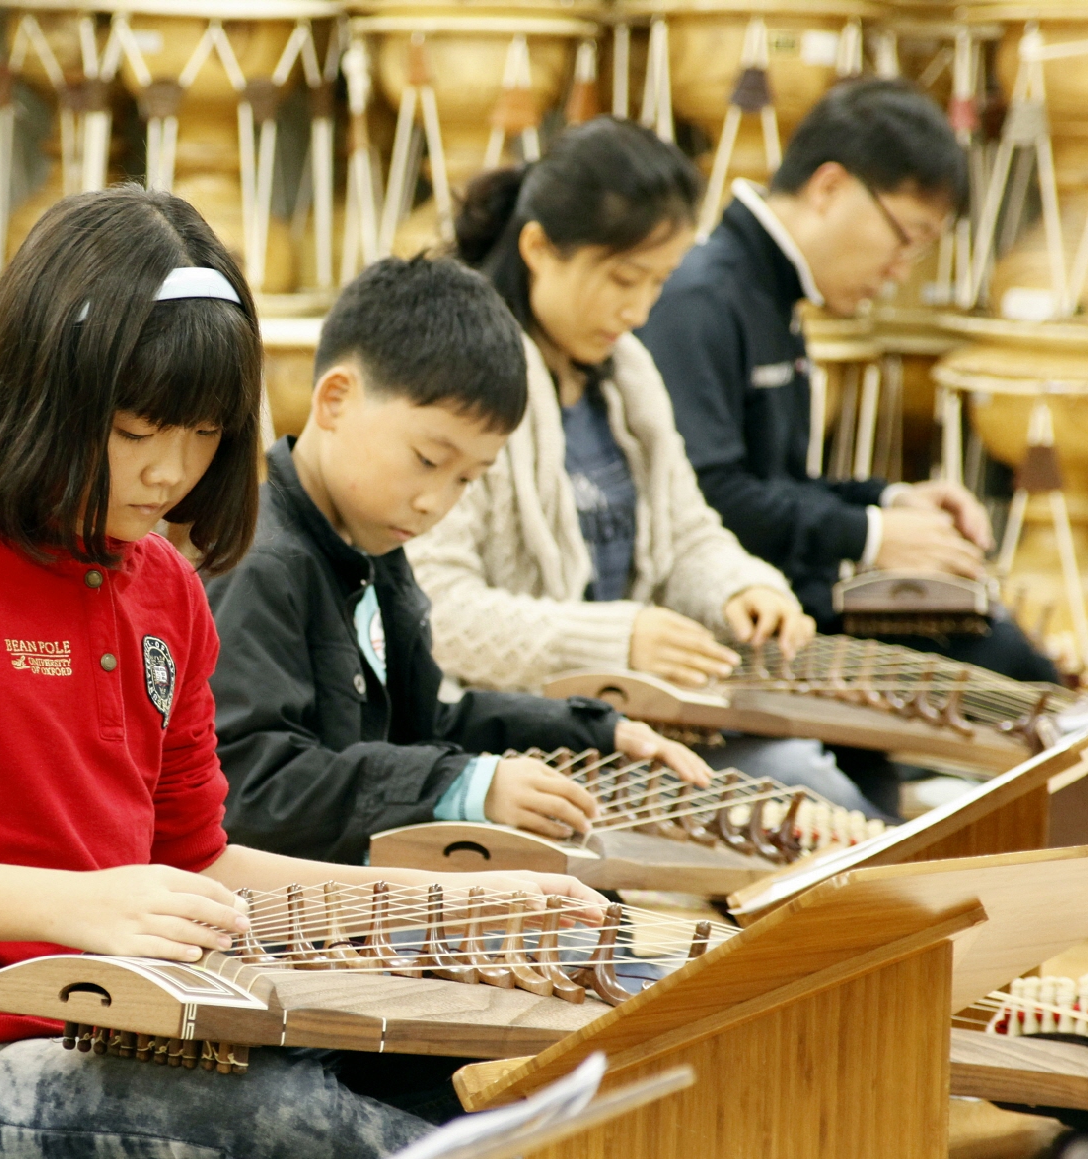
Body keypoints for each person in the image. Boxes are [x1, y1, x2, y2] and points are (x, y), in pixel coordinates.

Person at [0, 188, 603, 1159]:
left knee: (447, 1086)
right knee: (312, 1133)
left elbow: (202, 860)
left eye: (206, 433)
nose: (171, 469)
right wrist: (74, 902)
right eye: (138, 430)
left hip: (153, 1017)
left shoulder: (167, 588)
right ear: (44, 386)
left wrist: (449, 903)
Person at [405, 117, 882, 818]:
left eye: (657, 282)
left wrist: (738, 587)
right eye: (623, 278)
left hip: (634, 729)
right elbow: (434, 609)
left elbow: (687, 531)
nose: (638, 309)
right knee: (804, 805)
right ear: (539, 247)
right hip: (514, 748)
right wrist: (617, 638)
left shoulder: (626, 373)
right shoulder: (462, 383)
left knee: (827, 803)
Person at [207, 255, 713, 864]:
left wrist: (593, 731)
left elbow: (425, 726)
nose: (435, 503)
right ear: (335, 400)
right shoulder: (259, 562)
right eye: (427, 459)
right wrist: (461, 785)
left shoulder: (373, 547)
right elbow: (253, 787)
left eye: (467, 480)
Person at [636, 78, 1058, 687]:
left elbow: (777, 484)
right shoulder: (700, 297)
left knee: (1007, 649)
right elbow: (708, 498)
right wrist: (871, 535)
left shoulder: (770, 293)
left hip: (787, 609)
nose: (898, 271)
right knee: (1006, 666)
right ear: (829, 187)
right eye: (906, 238)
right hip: (730, 624)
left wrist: (888, 501)